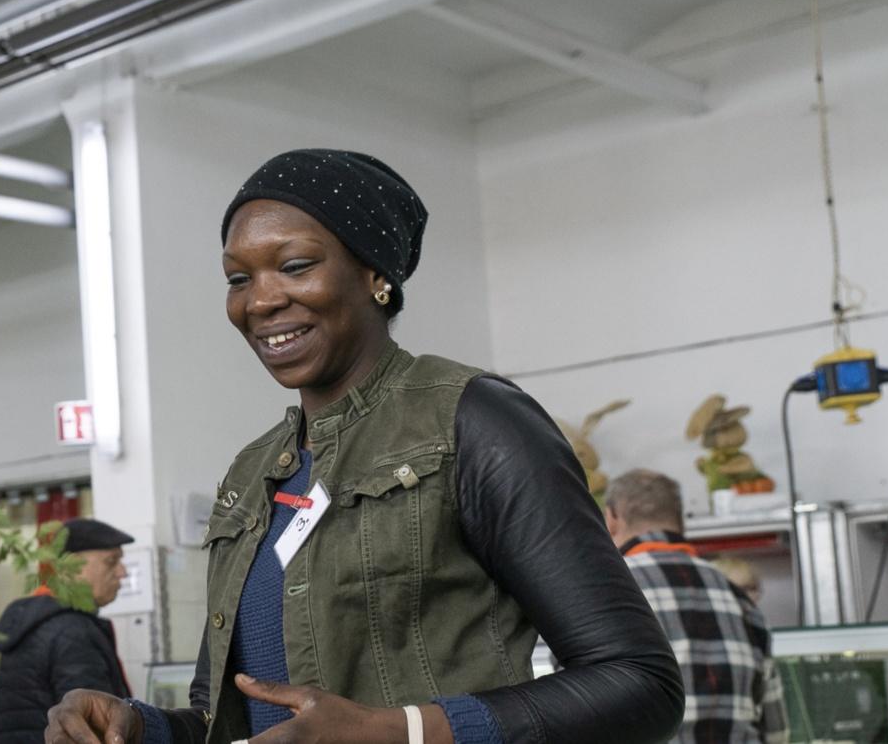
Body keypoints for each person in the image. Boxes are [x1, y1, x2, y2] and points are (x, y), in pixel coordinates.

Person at [46, 149, 683, 744]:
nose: (260, 300)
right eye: (238, 278)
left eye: (295, 266)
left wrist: (400, 731)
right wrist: (140, 727)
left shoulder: (473, 421)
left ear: (375, 272)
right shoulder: (252, 474)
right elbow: (239, 717)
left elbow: (638, 682)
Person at [606, 470, 787, 744]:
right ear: (680, 521)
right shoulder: (740, 600)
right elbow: (776, 732)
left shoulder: (605, 591)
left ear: (612, 518)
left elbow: (575, 718)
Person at [0, 518, 135, 744]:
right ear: (72, 566)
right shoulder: (72, 631)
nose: (122, 572)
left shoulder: (36, 622)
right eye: (111, 561)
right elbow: (96, 726)